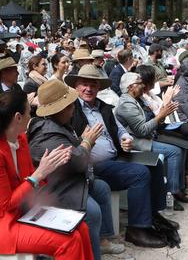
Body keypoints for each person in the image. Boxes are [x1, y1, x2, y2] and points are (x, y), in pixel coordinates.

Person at [0, 89, 94, 259]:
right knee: (69, 241)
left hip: (23, 211)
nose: (32, 117)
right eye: (29, 112)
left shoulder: (20, 140)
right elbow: (7, 203)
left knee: (81, 228)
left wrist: (49, 168)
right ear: (18, 117)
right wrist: (39, 174)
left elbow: (31, 179)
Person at [65, 65, 174, 248]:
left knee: (155, 163)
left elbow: (121, 129)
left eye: (93, 84)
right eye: (84, 84)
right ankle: (137, 229)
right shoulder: (70, 109)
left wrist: (126, 138)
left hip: (116, 158)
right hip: (93, 166)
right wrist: (82, 142)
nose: (89, 89)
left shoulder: (103, 107)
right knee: (140, 173)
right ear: (76, 85)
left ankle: (152, 215)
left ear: (99, 87)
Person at [28, 80, 124, 258]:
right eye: (70, 105)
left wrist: (82, 141)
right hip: (54, 188)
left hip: (67, 180)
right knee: (92, 211)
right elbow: (75, 162)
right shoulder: (47, 133)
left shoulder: (59, 124)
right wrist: (88, 142)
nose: (74, 109)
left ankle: (101, 240)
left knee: (102, 188)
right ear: (60, 109)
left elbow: (71, 153)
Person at [114, 72, 187, 210]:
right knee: (174, 152)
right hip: (136, 142)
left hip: (148, 135)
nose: (143, 86)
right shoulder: (126, 105)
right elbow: (141, 130)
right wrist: (161, 115)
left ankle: (179, 187)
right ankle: (171, 194)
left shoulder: (138, 99)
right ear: (131, 87)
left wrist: (161, 115)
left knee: (182, 145)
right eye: (139, 83)